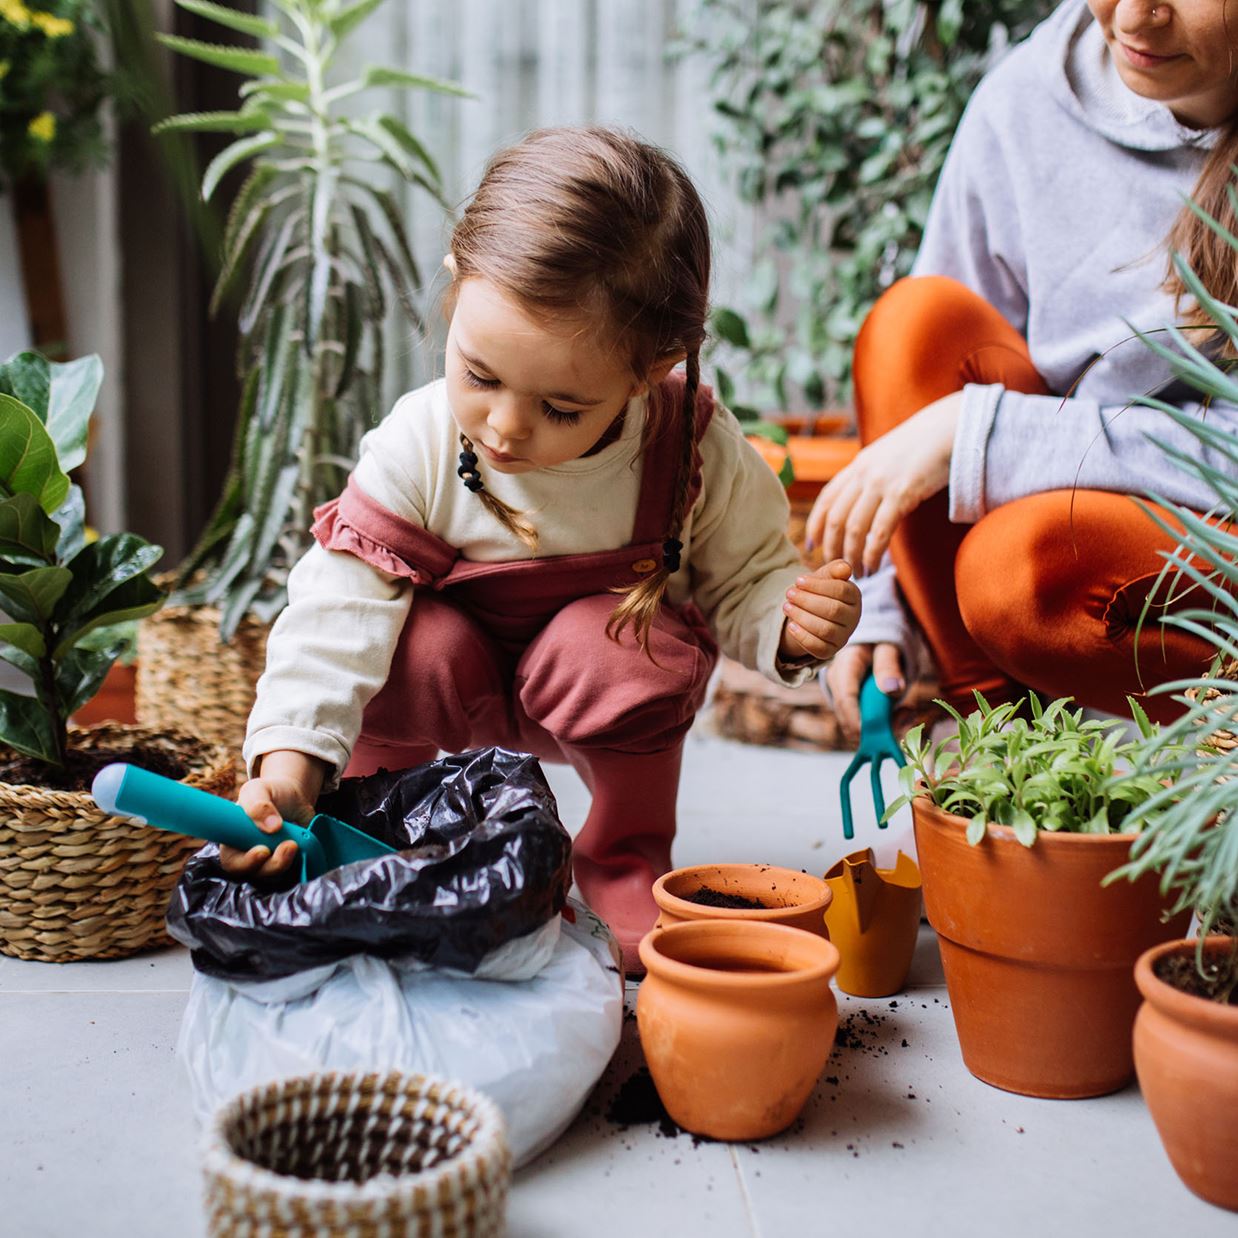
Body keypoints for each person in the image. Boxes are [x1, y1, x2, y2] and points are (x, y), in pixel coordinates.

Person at [225, 127, 862, 968]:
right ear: (457, 289)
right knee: (402, 647)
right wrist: (289, 766)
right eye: (479, 375)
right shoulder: (417, 444)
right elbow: (335, 616)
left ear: (650, 369)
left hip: (595, 690)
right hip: (451, 683)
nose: (506, 426)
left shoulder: (687, 447)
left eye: (562, 408)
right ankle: (370, 842)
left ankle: (623, 863)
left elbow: (748, 574)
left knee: (625, 644)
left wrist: (790, 622)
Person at [810, 0, 1238, 741]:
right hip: (1092, 491)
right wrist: (874, 604)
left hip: (1210, 523)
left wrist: (986, 437)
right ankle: (1004, 742)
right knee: (913, 324)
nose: (1136, 15)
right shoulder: (1030, 96)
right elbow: (921, 377)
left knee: (1017, 575)